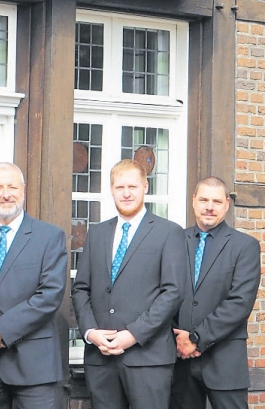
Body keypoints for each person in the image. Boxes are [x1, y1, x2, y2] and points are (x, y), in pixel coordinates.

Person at [71, 159, 186, 409]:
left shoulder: (169, 232)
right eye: (120, 187)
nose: (126, 193)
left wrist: (133, 334)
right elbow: (81, 288)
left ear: (145, 187)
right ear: (111, 190)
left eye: (132, 186)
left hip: (148, 358)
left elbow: (173, 293)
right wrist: (91, 333)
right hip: (101, 359)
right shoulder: (97, 233)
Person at [0, 162, 68, 409]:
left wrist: (1, 330)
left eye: (12, 187)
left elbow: (49, 295)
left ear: (24, 189)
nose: (5, 194)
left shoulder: (49, 237)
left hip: (34, 367)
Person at [170, 177, 261, 409]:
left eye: (217, 201)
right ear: (193, 201)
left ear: (227, 204)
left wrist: (195, 339)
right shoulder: (174, 241)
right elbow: (163, 292)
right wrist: (177, 337)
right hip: (179, 360)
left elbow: (239, 303)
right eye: (204, 200)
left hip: (225, 361)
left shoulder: (245, 246)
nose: (209, 207)